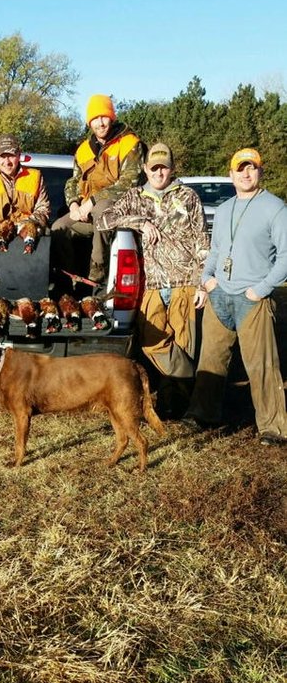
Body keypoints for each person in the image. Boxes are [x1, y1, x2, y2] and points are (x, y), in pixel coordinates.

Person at [183, 147, 287, 444]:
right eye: (240, 168)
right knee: (211, 360)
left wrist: (261, 289)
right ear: (231, 173)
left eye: (251, 167)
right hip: (220, 296)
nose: (245, 173)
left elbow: (285, 257)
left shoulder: (275, 208)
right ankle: (203, 413)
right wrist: (206, 280)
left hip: (251, 299)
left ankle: (273, 427)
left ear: (260, 171)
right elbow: (216, 250)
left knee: (262, 365)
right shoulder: (226, 208)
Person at [99, 143, 209, 417]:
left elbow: (202, 242)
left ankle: (176, 407)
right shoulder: (134, 196)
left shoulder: (188, 196)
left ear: (172, 169)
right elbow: (104, 218)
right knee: (152, 342)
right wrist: (140, 222)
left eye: (165, 167)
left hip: (186, 282)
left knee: (184, 344)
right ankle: (194, 382)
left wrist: (204, 282)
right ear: (146, 169)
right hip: (152, 284)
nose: (159, 173)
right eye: (154, 168)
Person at [51, 95, 143, 285]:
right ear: (89, 122)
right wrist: (74, 203)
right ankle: (73, 279)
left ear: (112, 117)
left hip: (116, 211)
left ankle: (97, 272)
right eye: (95, 118)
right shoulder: (83, 149)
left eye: (105, 117)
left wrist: (91, 202)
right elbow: (73, 181)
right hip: (86, 212)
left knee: (101, 210)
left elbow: (129, 182)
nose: (100, 123)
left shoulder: (129, 143)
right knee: (58, 228)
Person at [0, 133, 50, 235]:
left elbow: (43, 211)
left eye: (11, 155)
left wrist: (22, 227)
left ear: (19, 154)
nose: (7, 161)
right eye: (2, 156)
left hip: (29, 237)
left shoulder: (35, 177)